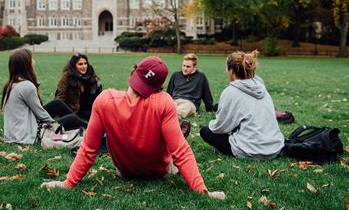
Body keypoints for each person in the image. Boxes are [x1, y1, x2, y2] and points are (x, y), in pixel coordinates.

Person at [41, 56, 225, 200]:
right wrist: (203, 191)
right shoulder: (164, 102)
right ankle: (175, 133)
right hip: (158, 171)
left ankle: (173, 133)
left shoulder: (105, 100)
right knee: (175, 149)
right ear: (159, 87)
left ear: (134, 72)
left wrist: (68, 183)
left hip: (125, 171)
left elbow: (89, 149)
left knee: (173, 144)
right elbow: (181, 152)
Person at [200, 50, 284, 160]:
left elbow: (220, 127)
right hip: (275, 147)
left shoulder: (230, 92)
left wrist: (212, 124)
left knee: (205, 131)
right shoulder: (260, 86)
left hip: (251, 150)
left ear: (231, 71)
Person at [2, 48, 54, 144]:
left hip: (14, 134)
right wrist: (55, 125)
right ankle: (88, 132)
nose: (34, 61)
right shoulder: (26, 86)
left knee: (57, 104)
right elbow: (40, 113)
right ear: (26, 64)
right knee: (71, 119)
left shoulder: (13, 83)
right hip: (26, 135)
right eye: (31, 58)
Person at [45, 53, 102, 122]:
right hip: (72, 109)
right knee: (73, 118)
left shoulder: (91, 76)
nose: (84, 66)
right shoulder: (66, 77)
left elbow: (98, 98)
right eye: (80, 64)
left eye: (85, 63)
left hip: (85, 110)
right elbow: (60, 99)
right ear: (74, 66)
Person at [166, 53, 215, 118]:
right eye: (183, 65)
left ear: (194, 67)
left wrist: (210, 108)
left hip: (190, 102)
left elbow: (207, 95)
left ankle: (170, 118)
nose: (185, 69)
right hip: (175, 100)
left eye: (188, 66)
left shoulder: (201, 76)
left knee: (183, 108)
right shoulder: (175, 75)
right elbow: (169, 93)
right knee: (169, 107)